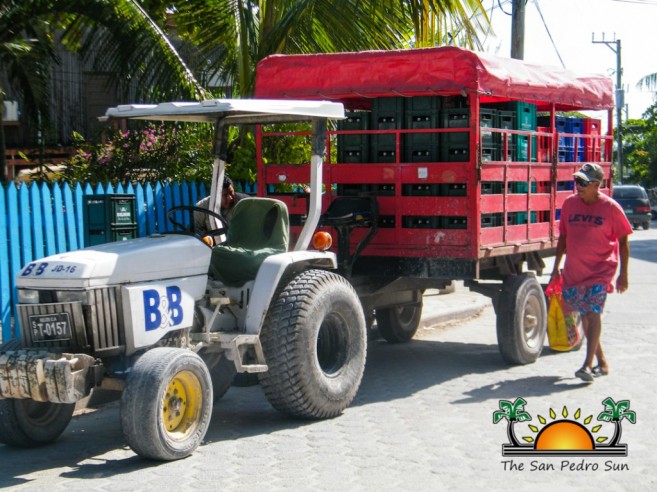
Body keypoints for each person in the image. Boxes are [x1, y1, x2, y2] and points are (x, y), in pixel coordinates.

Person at [550, 163, 633, 383]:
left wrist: (623, 274)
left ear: (597, 185)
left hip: (600, 270)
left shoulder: (610, 208)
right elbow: (564, 238)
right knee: (585, 314)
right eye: (577, 181)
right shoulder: (569, 204)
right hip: (575, 270)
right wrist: (556, 267)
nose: (578, 186)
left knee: (592, 312)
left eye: (584, 183)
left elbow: (624, 241)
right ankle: (602, 362)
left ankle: (587, 365)